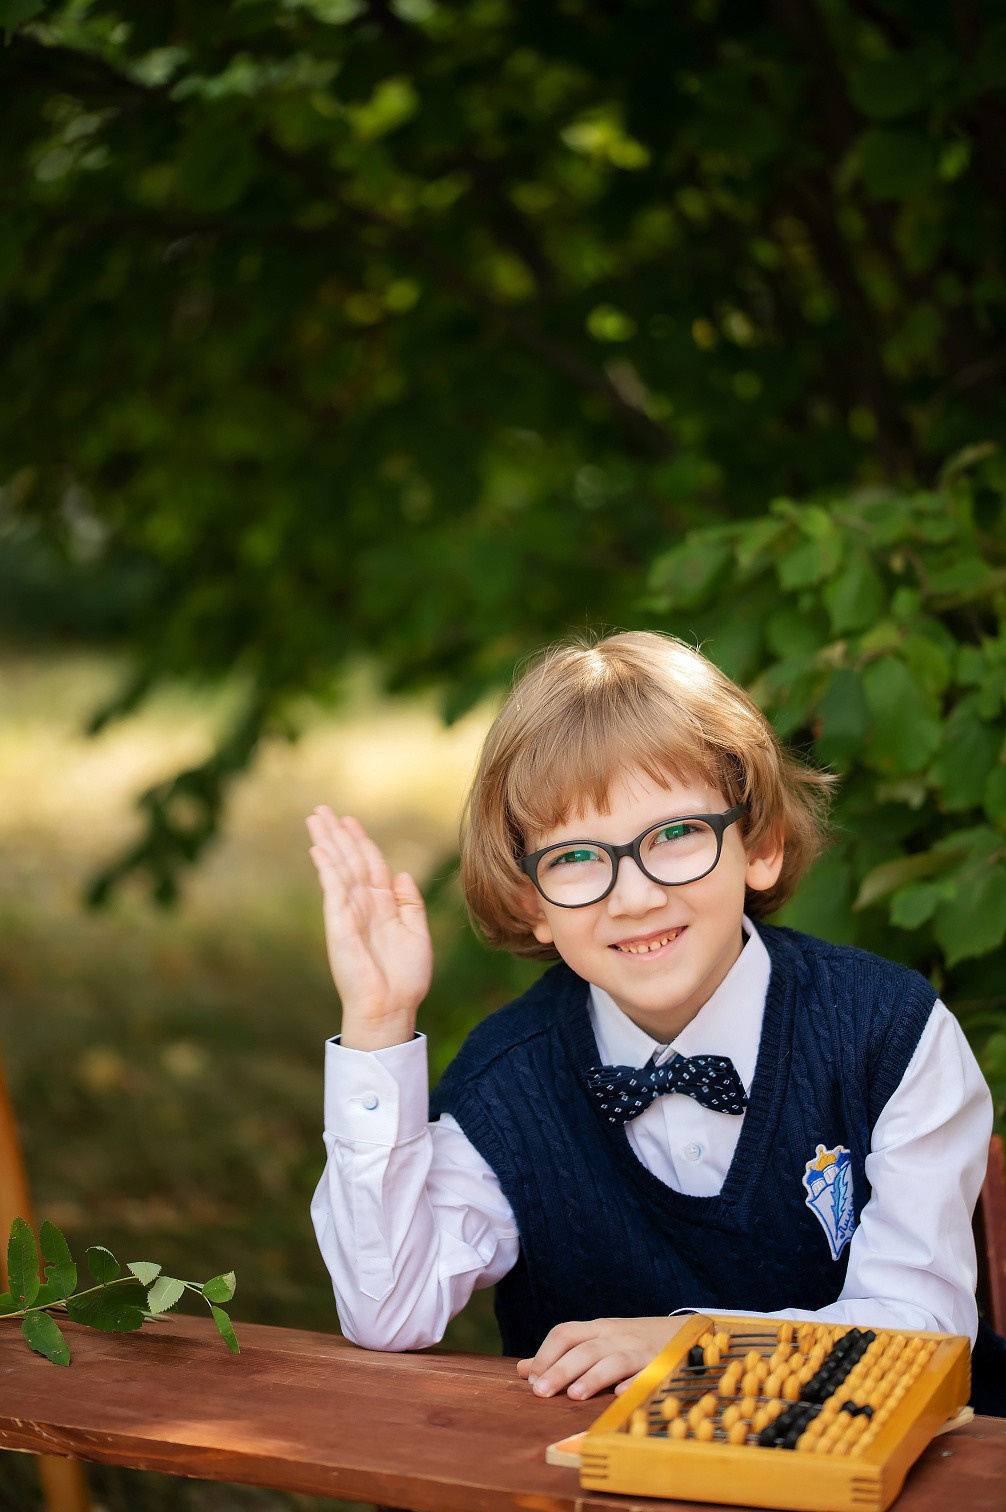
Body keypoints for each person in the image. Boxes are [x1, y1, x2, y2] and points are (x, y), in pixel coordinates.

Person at [307, 632, 1000, 1410]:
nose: (633, 897)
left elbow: (922, 1334)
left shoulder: (886, 1032)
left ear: (760, 845)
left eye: (675, 836)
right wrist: (379, 1022)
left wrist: (693, 1347)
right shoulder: (512, 1077)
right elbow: (390, 1309)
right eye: (576, 857)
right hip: (590, 1469)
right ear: (533, 901)